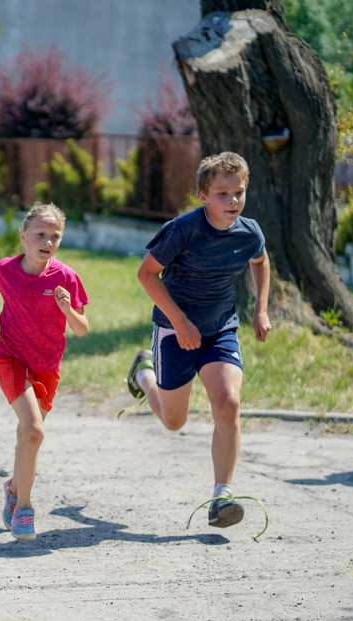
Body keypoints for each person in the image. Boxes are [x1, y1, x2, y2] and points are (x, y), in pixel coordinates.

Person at [125, 151, 271, 529]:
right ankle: (144, 372)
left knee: (229, 403)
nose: (233, 201)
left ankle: (222, 496)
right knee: (174, 421)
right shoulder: (184, 230)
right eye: (222, 193)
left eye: (238, 192)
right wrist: (180, 321)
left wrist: (260, 309)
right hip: (175, 330)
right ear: (203, 195)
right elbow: (147, 275)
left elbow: (260, 260)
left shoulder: (249, 231)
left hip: (220, 327)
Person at [0, 204, 89, 540]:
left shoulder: (66, 277)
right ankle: (24, 509)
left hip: (47, 366)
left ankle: (13, 488)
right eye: (40, 234)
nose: (48, 241)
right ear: (23, 237)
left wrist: (68, 309)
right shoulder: (5, 270)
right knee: (34, 430)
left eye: (55, 236)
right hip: (10, 356)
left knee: (28, 435)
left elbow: (82, 329)